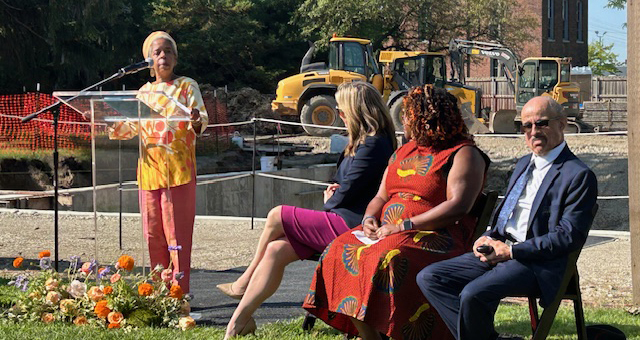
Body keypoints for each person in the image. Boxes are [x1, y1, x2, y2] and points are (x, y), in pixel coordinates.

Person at [303, 85, 490, 340]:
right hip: (388, 231)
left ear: (423, 117)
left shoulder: (462, 153)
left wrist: (404, 226)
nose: (402, 120)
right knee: (338, 249)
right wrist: (369, 217)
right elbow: (381, 196)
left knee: (389, 256)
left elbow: (458, 206)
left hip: (435, 236)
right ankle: (371, 335)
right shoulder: (405, 151)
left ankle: (396, 330)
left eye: (407, 114)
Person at [218, 81, 397, 339]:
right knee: (276, 250)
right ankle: (238, 324)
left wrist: (329, 200)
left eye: (342, 108)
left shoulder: (374, 144)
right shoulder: (360, 141)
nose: (339, 113)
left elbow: (348, 192)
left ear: (356, 110)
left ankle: (244, 281)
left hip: (353, 225)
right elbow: (341, 182)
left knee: (276, 214)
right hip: (340, 218)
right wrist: (334, 191)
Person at [416, 96, 598, 340]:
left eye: (541, 123)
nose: (533, 132)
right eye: (526, 126)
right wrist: (488, 237)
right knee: (430, 277)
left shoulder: (578, 175)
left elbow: (567, 237)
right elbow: (506, 214)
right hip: (502, 252)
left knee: (473, 294)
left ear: (562, 124)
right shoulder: (524, 164)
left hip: (537, 263)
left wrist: (513, 252)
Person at [109, 31, 208, 294]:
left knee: (176, 238)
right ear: (148, 61)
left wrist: (196, 117)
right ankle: (159, 295)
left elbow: (201, 121)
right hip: (149, 172)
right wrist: (106, 122)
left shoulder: (187, 86)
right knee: (153, 236)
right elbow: (129, 127)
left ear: (176, 59)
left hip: (178, 172)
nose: (162, 56)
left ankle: (178, 294)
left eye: (168, 52)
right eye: (157, 52)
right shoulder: (143, 92)